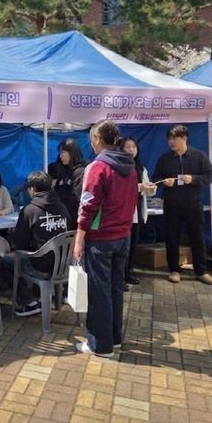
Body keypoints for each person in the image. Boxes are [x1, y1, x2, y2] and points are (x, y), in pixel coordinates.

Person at [73, 121, 138, 358]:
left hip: (100, 239)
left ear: (98, 139)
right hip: (123, 236)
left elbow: (87, 206)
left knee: (99, 291)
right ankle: (114, 338)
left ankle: (100, 345)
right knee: (115, 289)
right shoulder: (130, 166)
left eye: (92, 138)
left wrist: (79, 240)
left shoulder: (98, 167)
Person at [0, 171, 71, 316]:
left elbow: (20, 244)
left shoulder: (29, 211)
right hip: (63, 265)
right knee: (37, 254)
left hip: (40, 267)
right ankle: (38, 295)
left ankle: (28, 302)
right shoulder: (62, 207)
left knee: (3, 260)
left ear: (32, 188)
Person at [152, 125, 212, 285]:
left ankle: (201, 271)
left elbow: (209, 176)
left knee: (197, 238)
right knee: (172, 238)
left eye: (174, 138)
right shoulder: (165, 159)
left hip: (194, 204)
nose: (171, 142)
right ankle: (174, 270)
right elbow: (155, 179)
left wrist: (193, 179)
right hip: (172, 205)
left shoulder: (199, 156)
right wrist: (163, 182)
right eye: (169, 138)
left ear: (184, 138)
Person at [120, 137, 157, 285]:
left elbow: (147, 191)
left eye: (134, 147)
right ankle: (120, 277)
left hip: (137, 211)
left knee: (133, 245)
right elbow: (121, 189)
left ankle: (128, 272)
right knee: (123, 247)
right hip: (123, 213)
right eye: (127, 147)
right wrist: (140, 187)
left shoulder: (141, 168)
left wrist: (151, 188)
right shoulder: (119, 167)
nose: (131, 150)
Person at [52, 138, 87, 228]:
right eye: (60, 153)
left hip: (76, 220)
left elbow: (77, 199)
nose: (60, 156)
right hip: (63, 219)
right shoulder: (62, 171)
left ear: (72, 153)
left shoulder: (80, 172)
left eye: (63, 153)